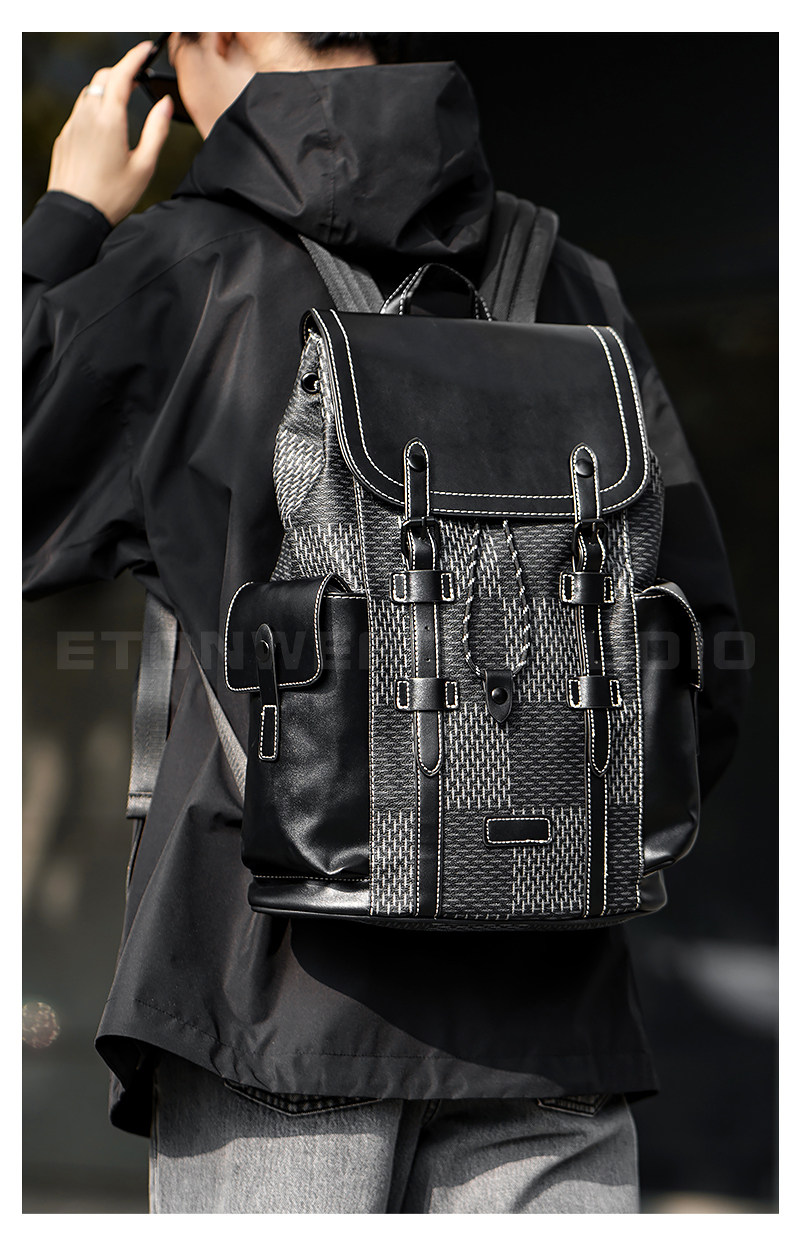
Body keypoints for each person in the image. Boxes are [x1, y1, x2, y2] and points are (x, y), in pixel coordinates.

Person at [23, 33, 747, 1214]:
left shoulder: (178, 269)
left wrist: (65, 217)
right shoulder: (571, 285)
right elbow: (695, 658)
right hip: (552, 1019)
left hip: (271, 1005)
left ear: (213, 35)